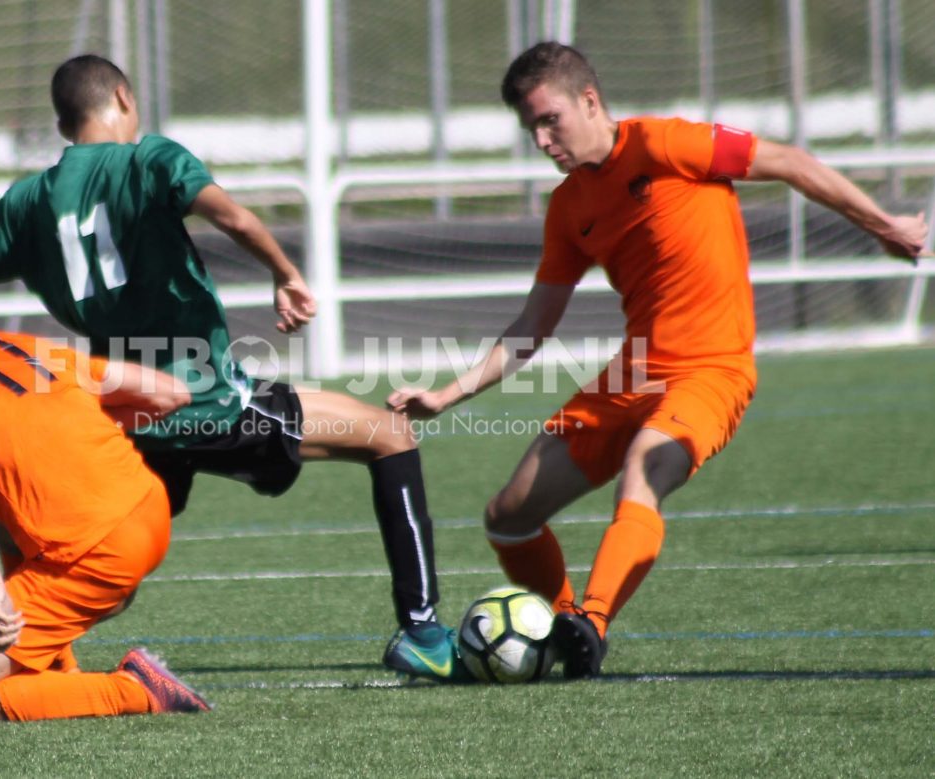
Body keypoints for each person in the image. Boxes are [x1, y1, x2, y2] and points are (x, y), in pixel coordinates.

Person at [0, 54, 464, 682]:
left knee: (94, 555)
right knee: (391, 436)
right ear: (122, 97)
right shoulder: (151, 159)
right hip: (201, 399)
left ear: (65, 124)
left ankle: (15, 639)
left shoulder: (28, 203)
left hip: (121, 418)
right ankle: (422, 630)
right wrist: (285, 275)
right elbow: (229, 215)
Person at [388, 41, 929, 679]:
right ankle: (565, 629)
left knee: (643, 471)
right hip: (633, 373)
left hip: (713, 369)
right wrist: (447, 395)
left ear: (589, 101)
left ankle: (592, 620)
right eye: (530, 127)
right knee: (508, 516)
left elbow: (787, 161)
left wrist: (882, 224)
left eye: (549, 119)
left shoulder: (668, 145)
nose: (540, 140)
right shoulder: (569, 209)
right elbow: (535, 324)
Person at [0, 246, 212, 722]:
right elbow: (170, 393)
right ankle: (62, 671)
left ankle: (137, 689)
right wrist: (94, 424)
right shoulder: (29, 347)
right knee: (7, 510)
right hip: (147, 510)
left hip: (93, 553)